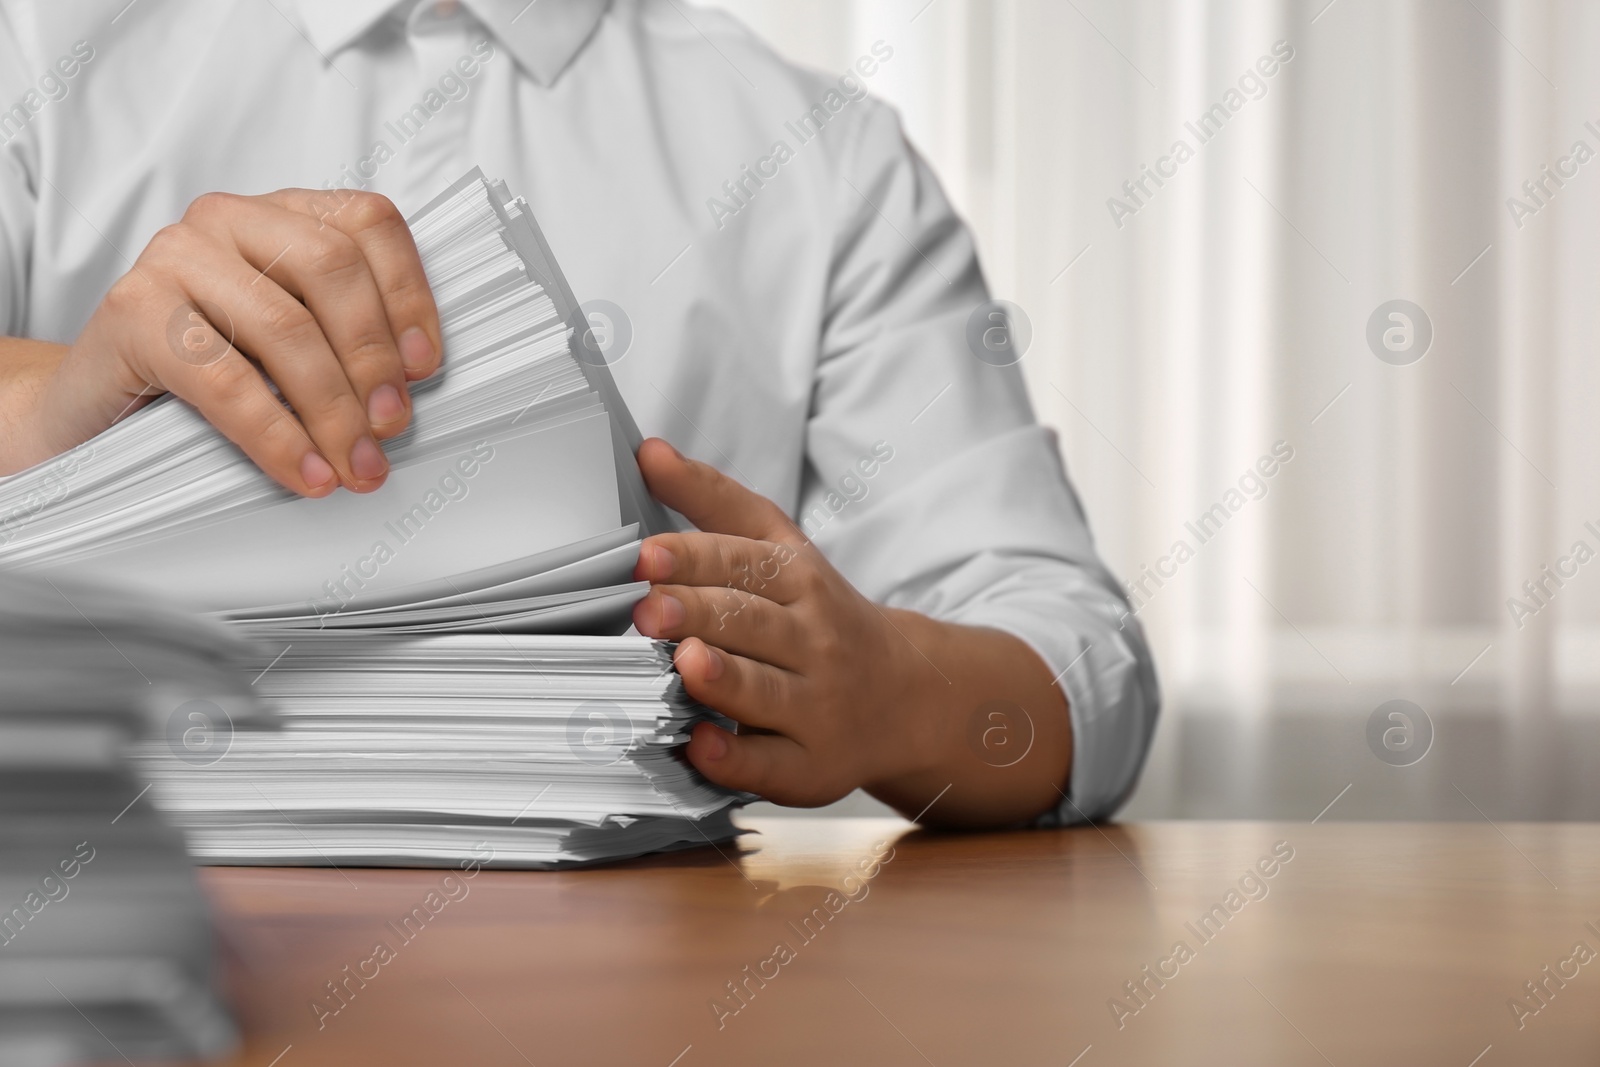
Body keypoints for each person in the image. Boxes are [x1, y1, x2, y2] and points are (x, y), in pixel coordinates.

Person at [0, 0, 1157, 828]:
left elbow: (1073, 666)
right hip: (98, 929)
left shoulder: (824, 161)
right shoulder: (36, 53)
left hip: (643, 984)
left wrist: (888, 690)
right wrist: (49, 417)